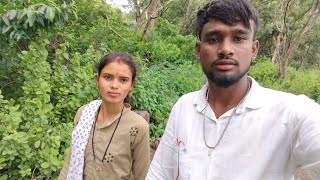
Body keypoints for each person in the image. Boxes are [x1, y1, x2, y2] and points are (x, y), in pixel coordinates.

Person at [146, 0, 320, 179]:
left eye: (238, 38)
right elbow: (159, 174)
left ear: (254, 49)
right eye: (213, 39)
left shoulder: (292, 114)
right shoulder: (184, 107)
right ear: (198, 50)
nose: (225, 49)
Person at [59, 52, 150, 180]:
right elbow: (71, 160)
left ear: (131, 86)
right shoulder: (84, 114)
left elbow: (142, 175)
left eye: (123, 80)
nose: (114, 85)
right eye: (108, 77)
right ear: (97, 80)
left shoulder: (138, 127)